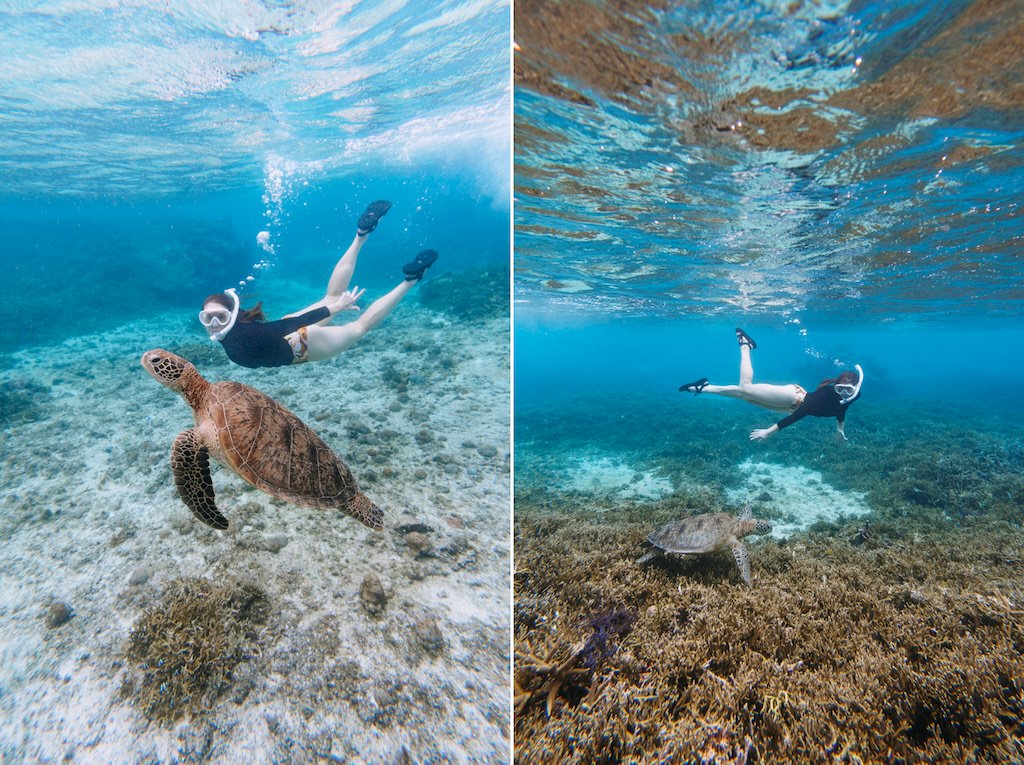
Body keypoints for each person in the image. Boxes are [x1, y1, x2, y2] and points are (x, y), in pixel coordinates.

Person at [197, 200, 438, 369]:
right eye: (207, 319)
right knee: (332, 295)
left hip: (302, 346)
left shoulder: (246, 334)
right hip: (291, 332)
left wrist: (336, 310)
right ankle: (361, 234)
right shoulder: (243, 328)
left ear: (233, 314)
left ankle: (411, 280)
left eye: (219, 316)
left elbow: (294, 324)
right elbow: (287, 324)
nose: (214, 324)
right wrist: (334, 305)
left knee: (361, 326)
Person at [678, 328, 863, 441]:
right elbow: (801, 414)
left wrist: (840, 430)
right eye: (840, 388)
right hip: (793, 397)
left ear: (855, 390)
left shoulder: (850, 398)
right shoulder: (828, 394)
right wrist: (769, 432)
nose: (842, 393)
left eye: (847, 391)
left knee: (745, 396)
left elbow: (841, 412)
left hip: (788, 407)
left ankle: (703, 387)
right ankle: (745, 345)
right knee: (746, 387)